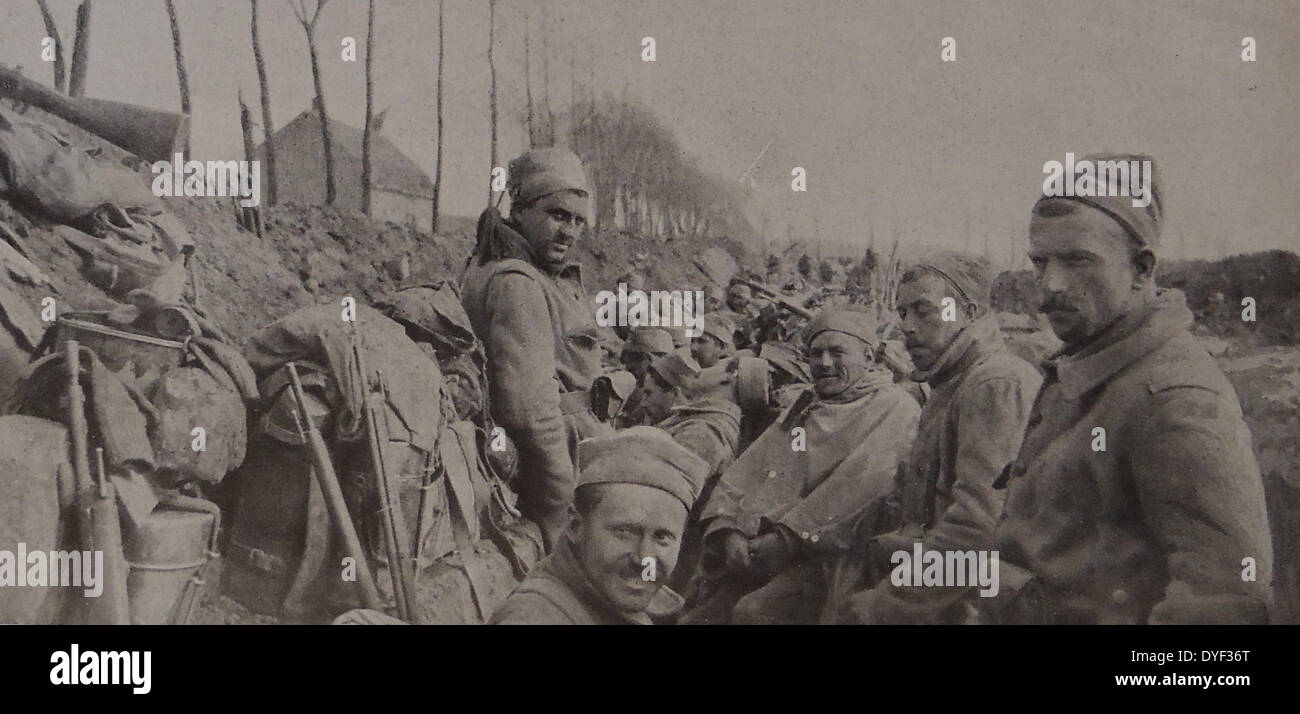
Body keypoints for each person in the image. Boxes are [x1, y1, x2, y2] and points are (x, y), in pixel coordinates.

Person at [982, 154, 1273, 624]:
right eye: (1040, 263)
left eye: (1077, 261)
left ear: (1141, 268)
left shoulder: (1175, 397)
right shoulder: (1088, 365)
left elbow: (1223, 612)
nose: (1050, 285)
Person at [825, 252, 1041, 624]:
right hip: (946, 576)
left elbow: (977, 527)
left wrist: (885, 605)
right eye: (902, 312)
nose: (906, 326)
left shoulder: (993, 384)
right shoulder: (951, 381)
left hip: (979, 598)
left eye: (923, 311)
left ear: (969, 313)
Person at [681, 306, 920, 624]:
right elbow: (753, 467)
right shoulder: (806, 402)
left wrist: (786, 540)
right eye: (816, 353)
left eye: (837, 353)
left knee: (752, 614)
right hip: (761, 548)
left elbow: (856, 491)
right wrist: (729, 527)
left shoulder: (894, 408)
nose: (824, 364)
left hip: (834, 557)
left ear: (868, 357)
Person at [460, 147, 610, 551]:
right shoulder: (518, 282)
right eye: (557, 215)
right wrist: (560, 498)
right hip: (551, 470)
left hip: (569, 452)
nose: (569, 232)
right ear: (522, 210)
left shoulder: (519, 270)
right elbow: (530, 411)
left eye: (578, 221)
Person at [489, 427, 709, 625]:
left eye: (662, 537)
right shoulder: (535, 617)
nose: (644, 558)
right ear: (575, 526)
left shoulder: (629, 603)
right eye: (625, 532)